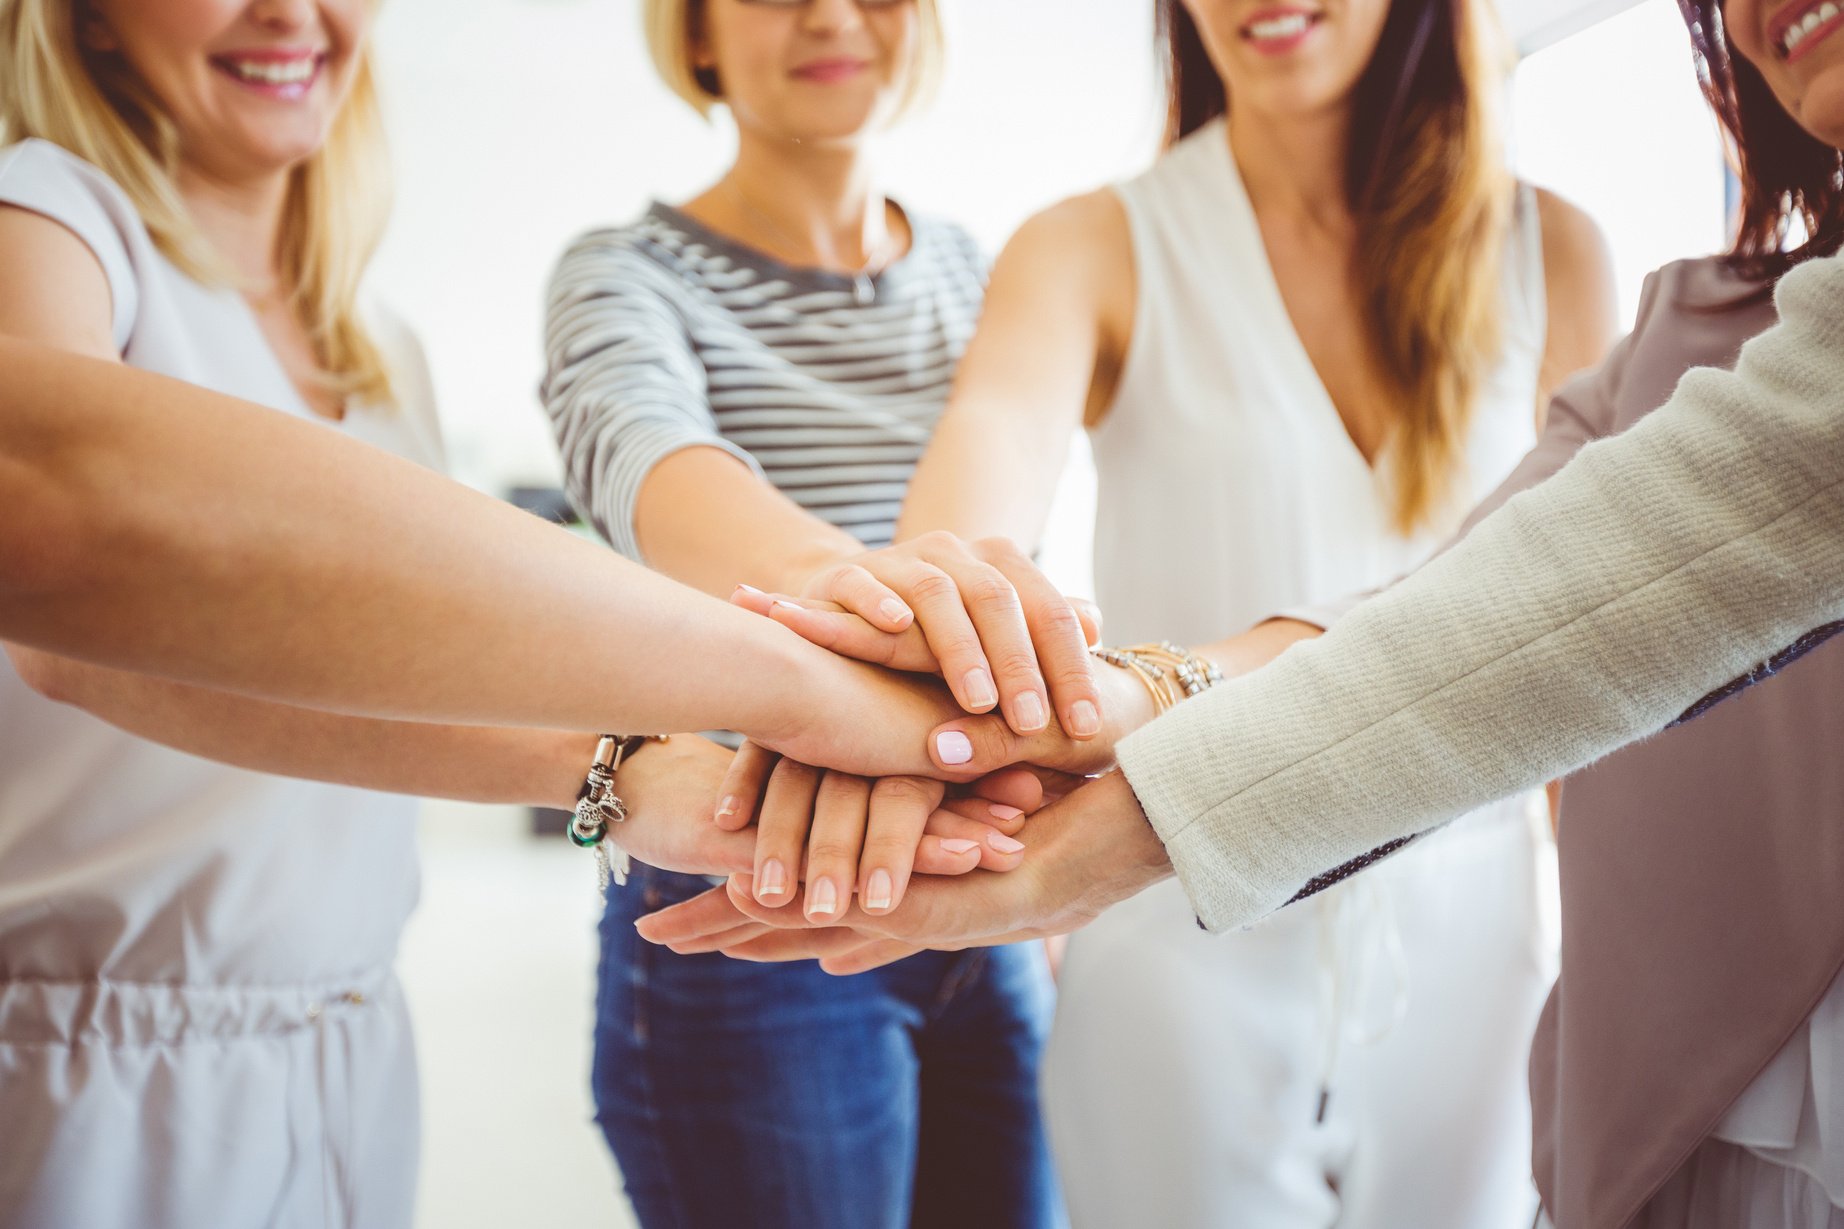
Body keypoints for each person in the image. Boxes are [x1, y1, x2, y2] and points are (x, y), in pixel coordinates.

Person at [0, 2, 992, 1224]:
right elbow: (66, 618)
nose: (286, 12)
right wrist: (815, 683)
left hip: (349, 1026)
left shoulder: (377, 344)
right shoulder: (43, 210)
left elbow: (369, 673)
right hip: (91, 1052)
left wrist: (632, 764)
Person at [728, 0, 1613, 1218]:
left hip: (1476, 922)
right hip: (1166, 902)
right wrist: (912, 665)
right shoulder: (1092, 247)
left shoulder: (1551, 248)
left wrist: (1627, 969)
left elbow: (1589, 622)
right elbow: (964, 533)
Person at [539, 0, 1066, 1223]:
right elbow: (649, 463)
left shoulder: (974, 273)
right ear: (701, 33)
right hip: (750, 876)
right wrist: (891, 625)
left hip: (978, 881)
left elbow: (1017, 539)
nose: (832, 14)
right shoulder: (623, 273)